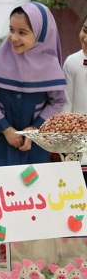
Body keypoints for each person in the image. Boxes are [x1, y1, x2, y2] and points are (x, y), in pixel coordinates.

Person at [0, 2, 67, 266]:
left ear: (39, 34)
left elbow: (57, 101)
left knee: (29, 194)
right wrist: (5, 128)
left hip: (33, 144)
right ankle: (3, 247)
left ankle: (27, 245)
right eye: (11, 30)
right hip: (0, 140)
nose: (14, 38)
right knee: (0, 193)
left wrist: (34, 129)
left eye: (23, 32)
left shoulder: (50, 65)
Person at [62, 15, 87, 170]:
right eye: (85, 30)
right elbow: (67, 103)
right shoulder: (72, 62)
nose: (85, 39)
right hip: (77, 138)